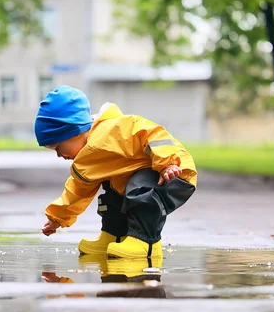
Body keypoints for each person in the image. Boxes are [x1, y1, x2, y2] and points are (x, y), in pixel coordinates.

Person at [35, 85, 197, 260]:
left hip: (172, 173)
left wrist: (167, 163)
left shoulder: (115, 130)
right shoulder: (87, 160)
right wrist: (57, 218)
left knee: (140, 188)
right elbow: (76, 191)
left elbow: (153, 134)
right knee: (110, 194)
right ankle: (113, 236)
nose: (59, 155)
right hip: (146, 174)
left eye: (58, 147)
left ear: (75, 130)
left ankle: (146, 243)